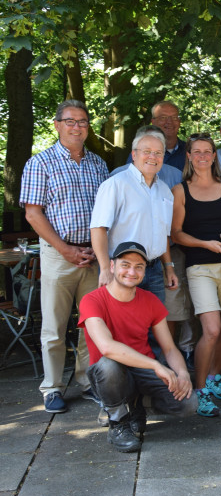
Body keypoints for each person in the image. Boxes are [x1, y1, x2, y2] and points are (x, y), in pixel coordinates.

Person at [20, 99, 110, 414]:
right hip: (60, 254)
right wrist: (66, 249)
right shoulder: (39, 163)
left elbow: (107, 212)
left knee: (92, 325)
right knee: (54, 327)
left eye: (82, 121)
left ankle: (88, 383)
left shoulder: (99, 164)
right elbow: (33, 214)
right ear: (57, 125)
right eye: (69, 121)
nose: (76, 126)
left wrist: (99, 252)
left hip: (94, 253)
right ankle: (53, 388)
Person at [79, 242, 197, 453]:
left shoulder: (150, 300)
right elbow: (107, 347)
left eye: (139, 266)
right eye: (125, 265)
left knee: (188, 404)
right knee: (109, 366)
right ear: (113, 266)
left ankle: (136, 404)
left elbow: (169, 348)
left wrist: (182, 374)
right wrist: (155, 365)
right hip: (110, 373)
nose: (131, 272)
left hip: (142, 370)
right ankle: (118, 422)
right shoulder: (92, 300)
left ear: (144, 271)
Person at [171, 133, 221, 417]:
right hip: (200, 266)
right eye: (197, 152)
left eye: (207, 151)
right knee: (211, 330)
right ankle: (200, 390)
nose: (202, 156)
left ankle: (214, 377)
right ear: (189, 156)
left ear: (214, 156)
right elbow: (176, 234)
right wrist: (206, 244)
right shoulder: (181, 191)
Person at [91, 128, 178, 304]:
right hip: (123, 271)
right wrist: (106, 269)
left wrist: (169, 267)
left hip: (154, 271)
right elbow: (98, 228)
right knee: (123, 327)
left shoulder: (165, 191)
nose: (153, 157)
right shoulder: (115, 184)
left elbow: (163, 234)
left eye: (158, 153)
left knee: (154, 327)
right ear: (134, 154)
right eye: (147, 152)